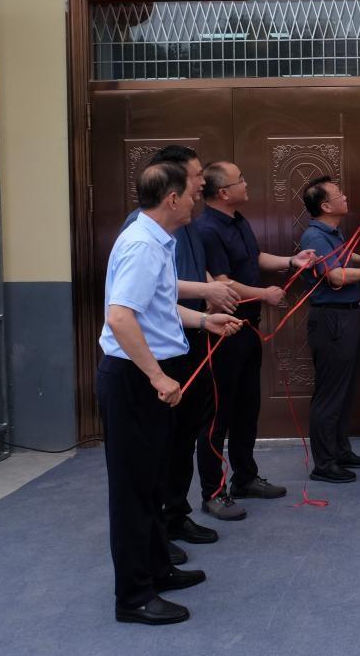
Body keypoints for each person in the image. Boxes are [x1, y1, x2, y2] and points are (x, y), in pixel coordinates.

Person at [98, 162, 242, 624]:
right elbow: (121, 317)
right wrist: (158, 377)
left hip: (144, 376)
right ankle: (133, 597)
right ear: (172, 198)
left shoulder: (157, 241)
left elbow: (159, 304)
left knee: (153, 483)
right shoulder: (143, 245)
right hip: (134, 380)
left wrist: (204, 319)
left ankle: (157, 569)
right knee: (134, 491)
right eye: (192, 191)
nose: (198, 196)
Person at [120, 145, 239, 553]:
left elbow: (173, 282)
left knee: (184, 434)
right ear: (170, 186)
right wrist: (206, 292)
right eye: (196, 176)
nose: (202, 183)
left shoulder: (183, 223)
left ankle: (174, 514)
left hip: (186, 335)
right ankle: (156, 533)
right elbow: (125, 312)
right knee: (157, 447)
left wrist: (207, 306)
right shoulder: (143, 234)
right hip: (156, 353)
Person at [195, 161, 316, 520]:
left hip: (247, 328)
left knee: (247, 408)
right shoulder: (206, 229)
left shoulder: (237, 220)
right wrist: (264, 294)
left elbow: (255, 257)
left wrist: (291, 261)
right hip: (223, 332)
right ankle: (212, 492)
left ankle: (245, 478)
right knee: (217, 416)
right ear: (223, 192)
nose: (246, 184)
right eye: (241, 180)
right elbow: (222, 283)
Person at [298, 176, 360, 483]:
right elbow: (336, 276)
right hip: (331, 319)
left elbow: (342, 257)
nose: (345, 197)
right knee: (330, 393)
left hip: (346, 317)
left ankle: (340, 451)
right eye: (339, 194)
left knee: (344, 389)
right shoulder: (314, 236)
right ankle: (324, 464)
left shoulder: (331, 233)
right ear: (326, 206)